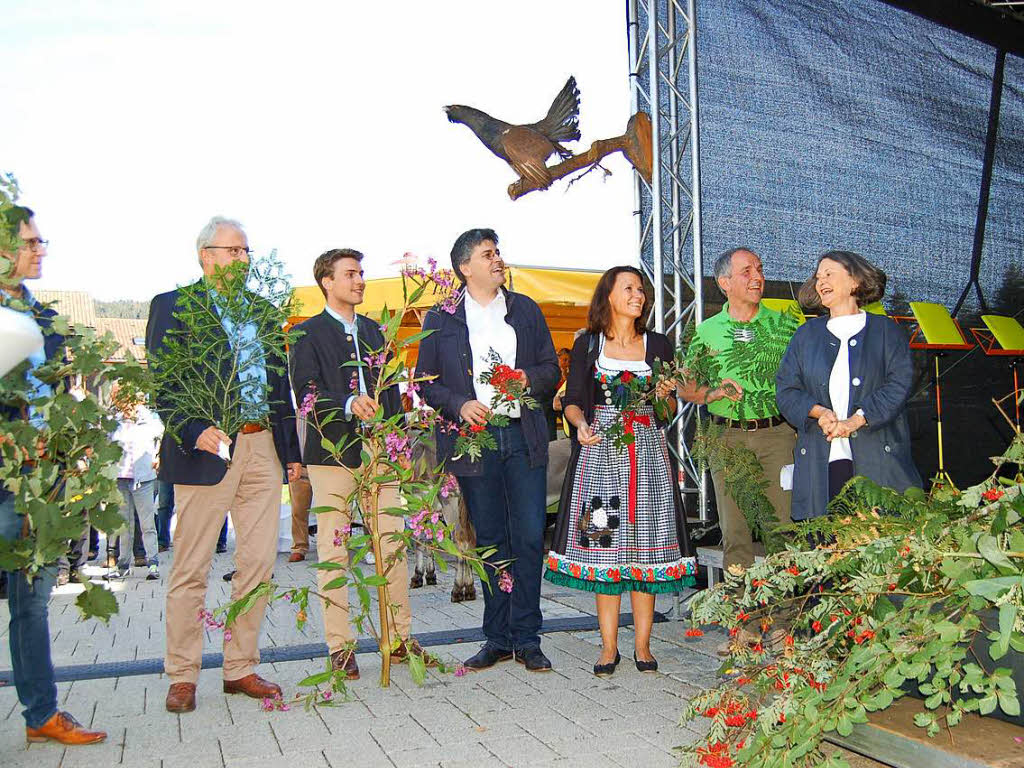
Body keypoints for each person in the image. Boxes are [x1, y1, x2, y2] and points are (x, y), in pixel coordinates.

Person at [146, 216, 301, 713]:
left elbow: (280, 387)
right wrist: (194, 430)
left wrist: (291, 453)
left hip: (261, 449)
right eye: (232, 251)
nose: (241, 259)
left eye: (245, 252)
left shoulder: (261, 311)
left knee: (257, 564)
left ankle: (240, 668)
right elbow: (164, 384)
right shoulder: (173, 307)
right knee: (191, 567)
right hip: (208, 450)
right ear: (205, 256)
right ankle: (183, 673)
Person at [418, 228, 560, 672]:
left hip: (523, 436)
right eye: (487, 254)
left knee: (530, 536)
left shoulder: (526, 310)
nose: (497, 260)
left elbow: (551, 368)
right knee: (491, 542)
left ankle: (528, 637)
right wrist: (460, 404)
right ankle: (497, 637)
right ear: (465, 268)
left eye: (498, 252)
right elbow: (426, 382)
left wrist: (527, 380)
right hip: (473, 441)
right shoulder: (440, 318)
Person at [545, 266, 696, 675]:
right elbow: (573, 399)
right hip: (601, 459)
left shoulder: (659, 345)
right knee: (603, 546)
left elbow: (664, 412)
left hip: (646, 458)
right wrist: (580, 425)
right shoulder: (588, 345)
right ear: (608, 296)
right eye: (628, 287)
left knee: (646, 551)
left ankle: (643, 648)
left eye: (641, 288)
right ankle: (608, 647)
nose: (639, 294)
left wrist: (664, 397)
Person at [289, 248, 432, 680]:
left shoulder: (377, 331)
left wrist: (397, 439)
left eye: (361, 273)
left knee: (392, 545)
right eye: (350, 273)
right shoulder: (306, 334)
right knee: (334, 551)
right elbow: (305, 390)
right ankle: (340, 646)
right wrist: (349, 402)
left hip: (380, 453)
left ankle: (399, 638)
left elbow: (391, 390)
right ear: (326, 282)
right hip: (333, 456)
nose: (360, 280)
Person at [0, 205, 106, 744]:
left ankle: (41, 714)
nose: (40, 249)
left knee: (32, 602)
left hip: (45, 481)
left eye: (41, 241)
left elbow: (63, 396)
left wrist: (75, 444)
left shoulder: (47, 321)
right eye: (29, 241)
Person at [775, 251, 921, 518]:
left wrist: (857, 420)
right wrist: (819, 413)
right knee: (826, 549)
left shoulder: (886, 331)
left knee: (878, 546)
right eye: (818, 277)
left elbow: (899, 384)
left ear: (855, 281)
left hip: (878, 462)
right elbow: (786, 390)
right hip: (821, 463)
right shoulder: (805, 335)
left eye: (829, 273)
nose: (820, 281)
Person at [678, 247, 797, 569]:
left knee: (781, 530)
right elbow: (686, 388)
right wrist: (714, 393)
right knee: (735, 532)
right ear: (724, 283)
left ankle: (784, 612)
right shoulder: (705, 331)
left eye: (759, 269)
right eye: (747, 272)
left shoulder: (787, 326)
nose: (758, 277)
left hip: (778, 436)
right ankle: (740, 613)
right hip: (726, 439)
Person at [107, 382, 163, 580]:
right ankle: (123, 564)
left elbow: (163, 436)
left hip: (143, 478)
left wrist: (158, 455)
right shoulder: (113, 420)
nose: (120, 402)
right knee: (124, 524)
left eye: (121, 396)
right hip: (120, 478)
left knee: (147, 524)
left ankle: (153, 563)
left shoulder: (150, 419)